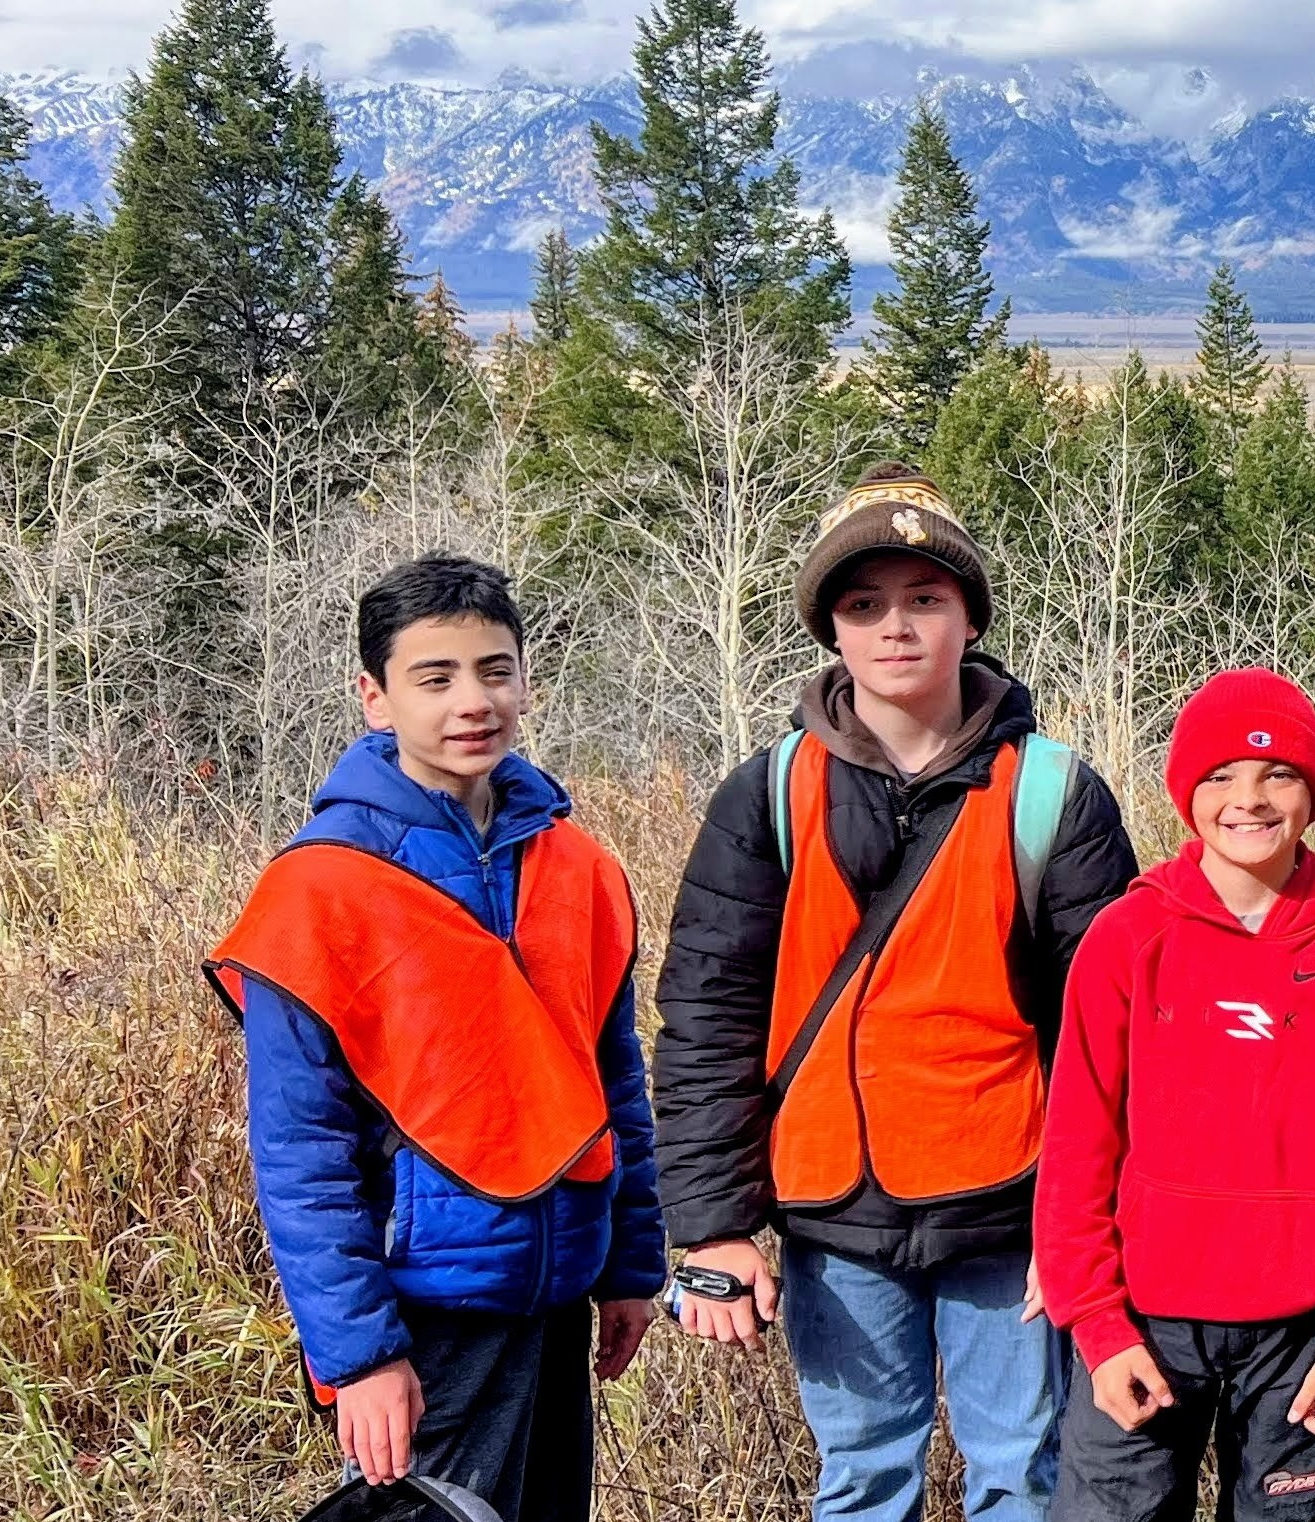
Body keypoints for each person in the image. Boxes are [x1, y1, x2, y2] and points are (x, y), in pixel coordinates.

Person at [652, 464, 1143, 1522]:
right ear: (831, 627)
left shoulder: (1053, 792)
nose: (896, 626)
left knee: (1024, 1472)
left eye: (926, 597)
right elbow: (705, 1017)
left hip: (1010, 1206)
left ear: (970, 614)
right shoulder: (770, 792)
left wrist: (1088, 1228)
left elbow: (1115, 1038)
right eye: (864, 603)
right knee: (865, 1479)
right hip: (833, 1209)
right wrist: (714, 1226)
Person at [209, 556, 661, 1520]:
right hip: (422, 1318)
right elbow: (301, 1154)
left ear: (526, 680)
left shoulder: (578, 866)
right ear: (375, 697)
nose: (473, 700)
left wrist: (630, 1264)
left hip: (552, 1302)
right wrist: (361, 1356)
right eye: (436, 676)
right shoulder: (321, 889)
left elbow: (616, 1086)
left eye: (495, 670)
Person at [1038, 670, 1315, 1522]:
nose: (1247, 799)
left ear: (1314, 790)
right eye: (1219, 776)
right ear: (1187, 792)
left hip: (1307, 1332)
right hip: (1147, 1322)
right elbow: (1076, 1142)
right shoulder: (1126, 938)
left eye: (1276, 774)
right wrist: (1098, 1327)